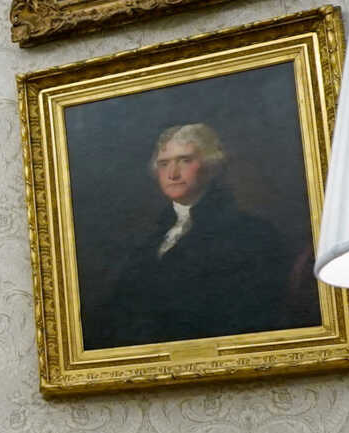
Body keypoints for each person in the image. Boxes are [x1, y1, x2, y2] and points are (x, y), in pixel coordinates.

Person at [90, 122, 310, 350]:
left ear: (210, 166)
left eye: (185, 160)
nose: (173, 174)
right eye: (164, 164)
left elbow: (246, 318)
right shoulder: (149, 239)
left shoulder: (249, 233)